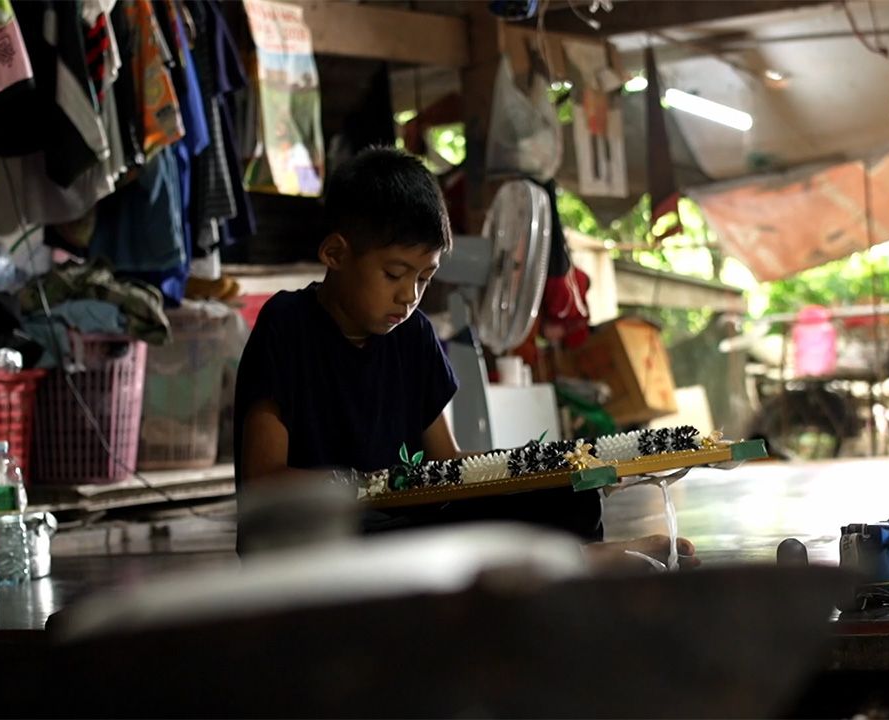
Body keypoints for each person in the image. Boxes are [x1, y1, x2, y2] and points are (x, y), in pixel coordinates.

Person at [234, 147, 695, 569]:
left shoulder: (412, 334)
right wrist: (361, 485)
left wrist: (542, 470)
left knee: (568, 495)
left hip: (402, 521)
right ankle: (582, 560)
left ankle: (573, 554)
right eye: (394, 274)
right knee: (380, 536)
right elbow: (264, 481)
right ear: (336, 253)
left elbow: (448, 469)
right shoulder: (287, 324)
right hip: (313, 536)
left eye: (424, 278)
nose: (408, 296)